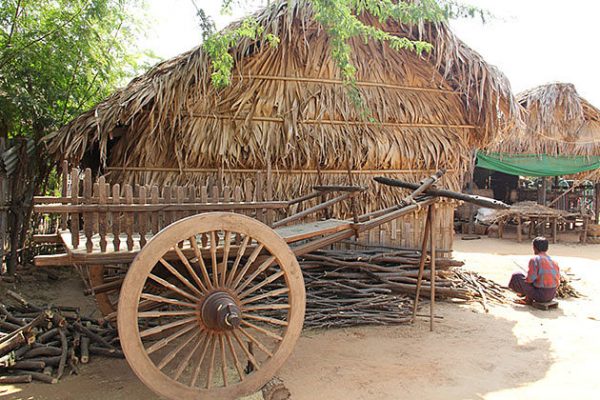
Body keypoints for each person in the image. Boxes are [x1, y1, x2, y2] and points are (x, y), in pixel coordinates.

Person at [509, 237, 560, 304]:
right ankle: (528, 296)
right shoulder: (554, 261)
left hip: (540, 296)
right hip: (552, 295)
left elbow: (530, 280)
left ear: (534, 248)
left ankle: (528, 298)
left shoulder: (534, 260)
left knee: (516, 276)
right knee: (535, 280)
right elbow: (558, 282)